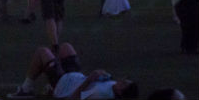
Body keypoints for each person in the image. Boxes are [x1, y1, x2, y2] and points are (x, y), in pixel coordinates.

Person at [7, 43, 138, 99]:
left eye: (123, 83)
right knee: (66, 47)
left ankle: (26, 88)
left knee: (42, 51)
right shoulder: (113, 87)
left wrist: (90, 78)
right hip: (76, 76)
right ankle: (51, 72)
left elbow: (74, 98)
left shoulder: (100, 93)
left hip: (63, 84)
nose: (121, 80)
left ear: (121, 91)